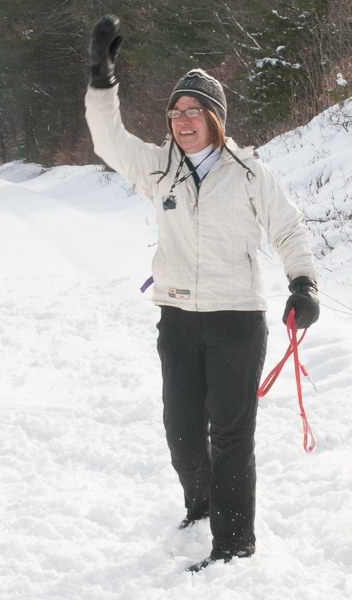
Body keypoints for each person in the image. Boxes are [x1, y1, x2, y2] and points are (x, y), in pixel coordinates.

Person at [85, 15, 320, 572]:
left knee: (232, 435)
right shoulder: (158, 169)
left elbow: (289, 229)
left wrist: (303, 282)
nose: (183, 121)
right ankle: (201, 505)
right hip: (178, 319)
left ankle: (234, 544)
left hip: (237, 320)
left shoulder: (248, 173)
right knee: (183, 431)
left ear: (214, 118)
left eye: (193, 111)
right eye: (175, 112)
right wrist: (101, 79)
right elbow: (108, 141)